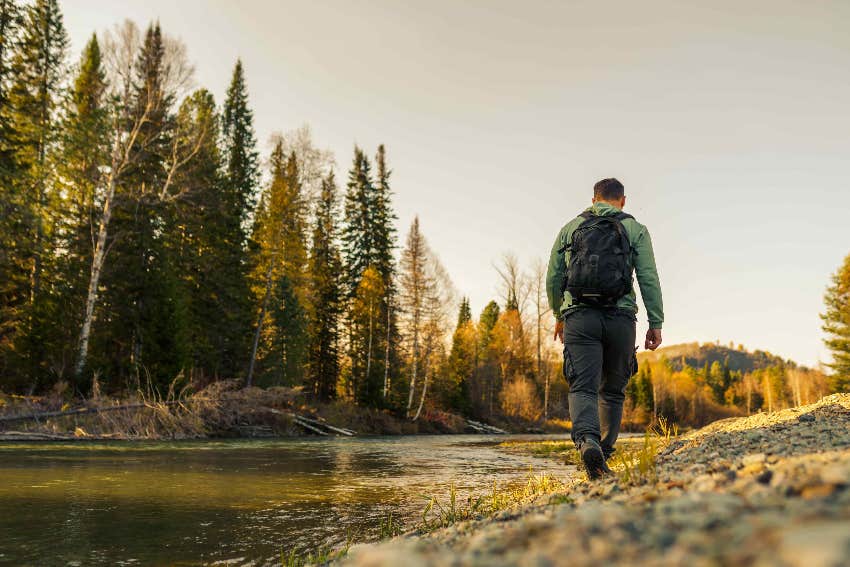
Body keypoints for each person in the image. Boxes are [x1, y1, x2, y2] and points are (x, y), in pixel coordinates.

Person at [546, 178, 664, 479]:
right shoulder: (635, 229)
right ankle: (604, 455)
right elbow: (648, 276)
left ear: (593, 198)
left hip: (579, 317)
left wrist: (560, 314)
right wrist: (655, 323)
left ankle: (587, 441)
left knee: (583, 386)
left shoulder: (571, 228)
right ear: (623, 201)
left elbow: (553, 277)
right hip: (621, 318)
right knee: (612, 391)